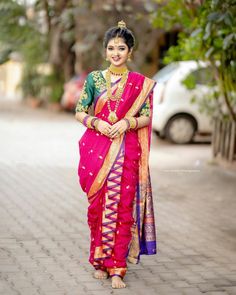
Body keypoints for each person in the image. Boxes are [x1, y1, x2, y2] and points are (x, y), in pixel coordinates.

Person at [75, 20, 157, 289]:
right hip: (97, 149)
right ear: (105, 51)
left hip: (126, 150)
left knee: (123, 206)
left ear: (130, 52)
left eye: (121, 48)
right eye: (111, 48)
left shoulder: (139, 83)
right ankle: (99, 260)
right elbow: (79, 111)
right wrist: (97, 123)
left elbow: (145, 117)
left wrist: (127, 123)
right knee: (97, 207)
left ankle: (117, 266)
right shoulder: (94, 80)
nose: (116, 53)